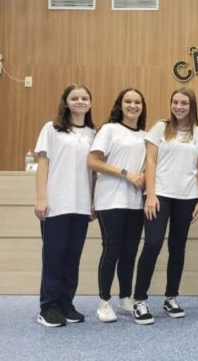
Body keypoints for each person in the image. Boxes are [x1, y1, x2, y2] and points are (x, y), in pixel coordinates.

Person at [131, 88, 198, 325]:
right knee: (153, 244)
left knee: (178, 248)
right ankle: (139, 300)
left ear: (191, 105)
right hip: (160, 196)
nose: (179, 106)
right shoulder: (160, 128)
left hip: (186, 197)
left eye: (184, 103)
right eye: (175, 102)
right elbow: (150, 160)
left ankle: (171, 297)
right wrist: (151, 194)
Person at [34, 84, 96, 327]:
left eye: (84, 98)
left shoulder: (93, 133)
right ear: (66, 102)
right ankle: (47, 306)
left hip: (81, 206)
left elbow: (93, 173)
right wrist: (41, 198)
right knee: (54, 257)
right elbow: (43, 164)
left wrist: (93, 202)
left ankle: (65, 302)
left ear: (90, 103)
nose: (80, 101)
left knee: (72, 258)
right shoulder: (52, 129)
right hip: (56, 204)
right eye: (75, 97)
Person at [88, 88, 147, 323]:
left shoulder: (145, 135)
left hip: (135, 202)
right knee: (111, 249)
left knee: (130, 252)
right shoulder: (109, 130)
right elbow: (92, 161)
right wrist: (126, 173)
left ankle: (125, 298)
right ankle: (104, 302)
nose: (133, 106)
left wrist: (141, 175)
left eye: (137, 102)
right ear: (120, 105)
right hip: (110, 200)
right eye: (128, 101)